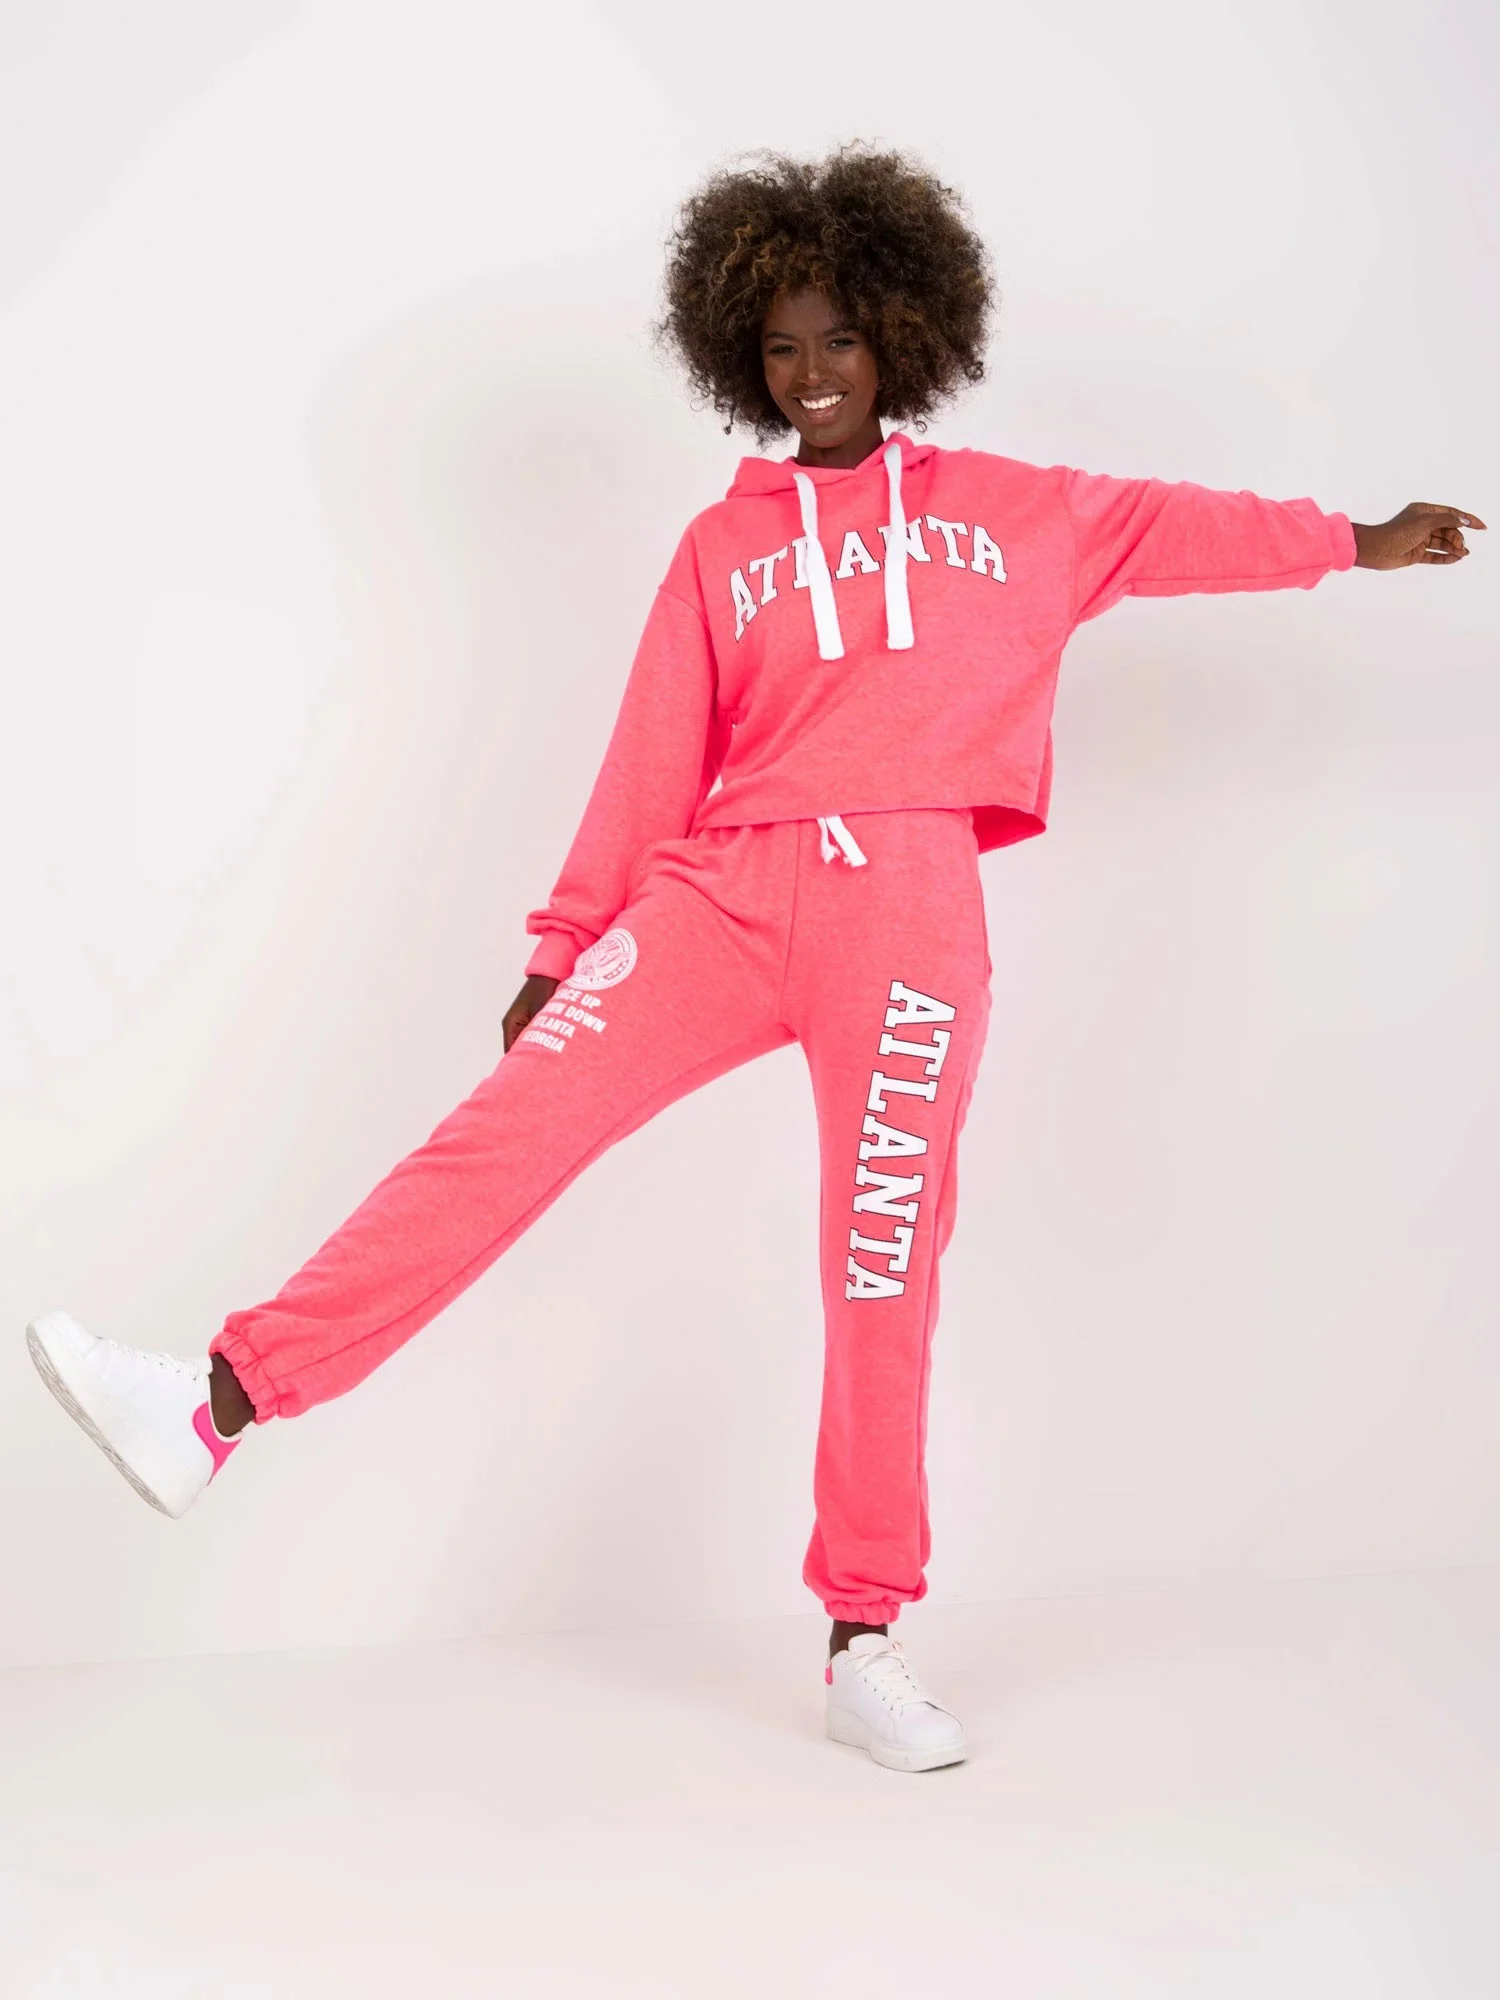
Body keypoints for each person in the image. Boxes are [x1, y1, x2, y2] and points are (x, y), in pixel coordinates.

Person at [26, 146, 1482, 1773]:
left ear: (900, 335)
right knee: (501, 1138)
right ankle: (217, 1403)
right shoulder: (724, 548)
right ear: (743, 357)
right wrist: (567, 940)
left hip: (910, 918)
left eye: (838, 340)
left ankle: (866, 1637)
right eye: (781, 349)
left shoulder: (1017, 513)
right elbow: (655, 749)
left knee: (882, 1264)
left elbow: (1176, 527)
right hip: (722, 898)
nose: (812, 375)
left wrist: (1360, 539)